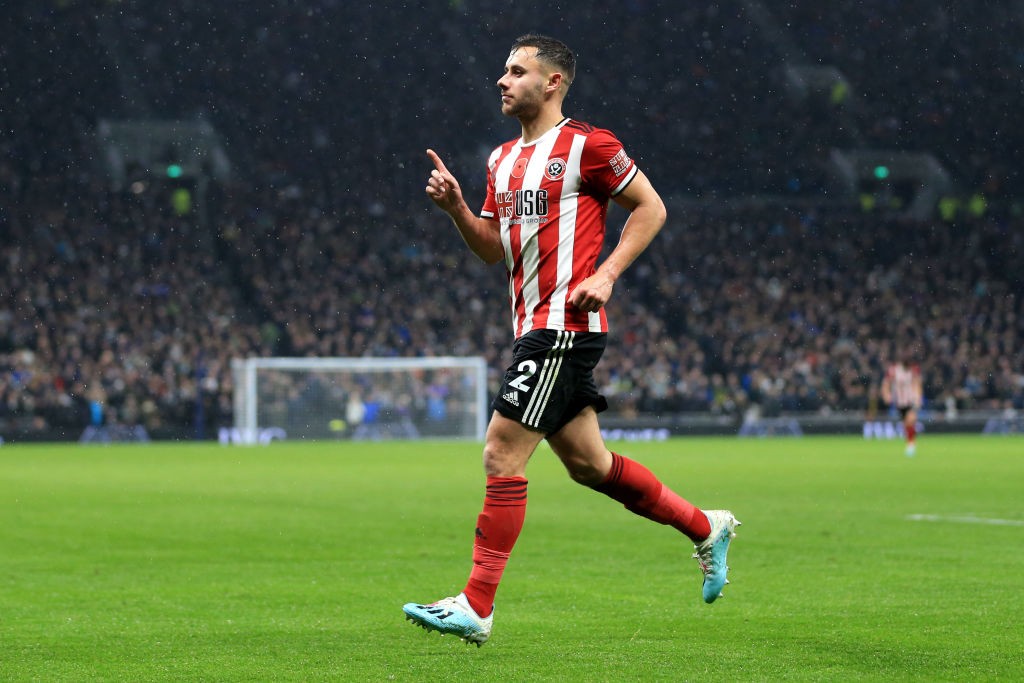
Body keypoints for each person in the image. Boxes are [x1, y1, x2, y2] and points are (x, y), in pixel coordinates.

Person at [402, 34, 739, 646]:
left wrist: (606, 274)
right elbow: (495, 249)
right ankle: (705, 526)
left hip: (564, 327)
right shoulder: (501, 160)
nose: (502, 81)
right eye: (502, 72)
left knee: (502, 452)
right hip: (531, 326)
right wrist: (456, 209)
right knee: (590, 465)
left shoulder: (588, 145)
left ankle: (476, 605)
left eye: (516, 71)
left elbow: (651, 207)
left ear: (553, 82)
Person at [881, 349, 924, 456]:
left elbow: (917, 383)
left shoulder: (914, 370)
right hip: (900, 402)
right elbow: (886, 383)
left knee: (911, 419)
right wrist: (886, 395)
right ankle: (910, 443)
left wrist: (918, 397)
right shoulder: (894, 370)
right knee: (906, 424)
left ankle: (911, 445)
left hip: (911, 400)